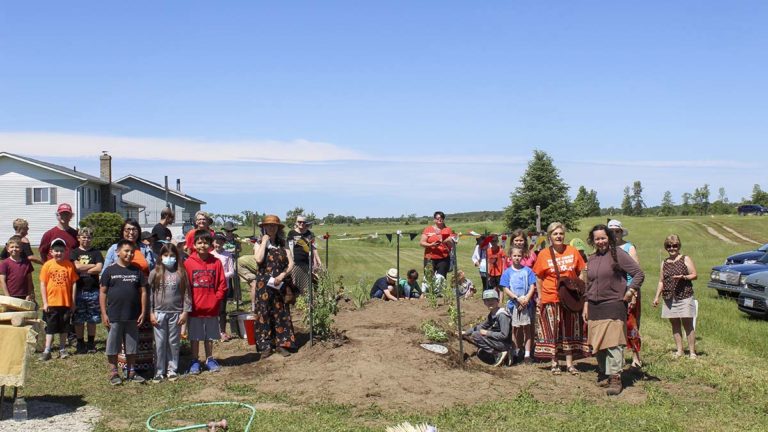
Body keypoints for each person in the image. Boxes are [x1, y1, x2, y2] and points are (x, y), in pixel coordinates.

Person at [584, 224, 644, 395]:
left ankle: (616, 378)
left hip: (614, 304)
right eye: (597, 239)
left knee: (613, 343)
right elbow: (589, 283)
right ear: (593, 241)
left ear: (609, 238)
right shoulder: (592, 258)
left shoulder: (618, 254)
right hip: (595, 306)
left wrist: (630, 291)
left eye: (603, 238)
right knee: (599, 345)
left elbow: (639, 273)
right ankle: (606, 372)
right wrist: (586, 304)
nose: (600, 241)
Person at [532, 222, 590, 375]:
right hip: (551, 296)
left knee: (569, 330)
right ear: (550, 236)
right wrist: (540, 297)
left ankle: (570, 364)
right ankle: (554, 363)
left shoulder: (572, 251)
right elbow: (539, 277)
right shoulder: (544, 254)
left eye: (561, 234)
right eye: (555, 234)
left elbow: (581, 271)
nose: (558, 236)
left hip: (570, 298)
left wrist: (579, 288)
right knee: (554, 330)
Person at [102, 218, 156, 373]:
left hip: (141, 295)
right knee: (118, 334)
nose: (131, 232)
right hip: (119, 302)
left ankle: (140, 366)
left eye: (134, 229)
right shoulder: (114, 248)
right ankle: (121, 367)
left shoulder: (145, 249)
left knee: (138, 333)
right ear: (122, 231)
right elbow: (105, 276)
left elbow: (153, 270)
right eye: (127, 229)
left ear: (138, 231)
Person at [99, 239, 148, 384]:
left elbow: (143, 292)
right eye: (126, 251)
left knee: (131, 345)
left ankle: (131, 371)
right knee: (113, 345)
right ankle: (114, 372)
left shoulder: (137, 271)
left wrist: (143, 311)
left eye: (132, 251)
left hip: (132, 315)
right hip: (115, 315)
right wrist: (104, 313)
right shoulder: (109, 271)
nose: (130, 254)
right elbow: (102, 293)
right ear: (118, 252)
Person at [252, 215, 297, 358]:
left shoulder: (283, 243)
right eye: (268, 225)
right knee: (264, 313)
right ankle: (265, 345)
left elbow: (291, 263)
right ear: (264, 227)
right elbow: (258, 259)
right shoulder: (259, 243)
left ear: (278, 228)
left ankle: (282, 344)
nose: (271, 228)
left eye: (274, 225)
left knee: (281, 313)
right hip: (263, 284)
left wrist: (282, 275)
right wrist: (264, 242)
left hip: (280, 282)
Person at [184, 230, 227, 373]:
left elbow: (222, 283)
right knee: (195, 336)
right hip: (195, 308)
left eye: (206, 242)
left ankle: (210, 358)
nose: (203, 245)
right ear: (194, 244)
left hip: (211, 307)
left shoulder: (216, 262)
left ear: (211, 244)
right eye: (200, 242)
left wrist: (216, 299)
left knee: (209, 335)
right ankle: (195, 360)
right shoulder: (188, 263)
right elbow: (186, 285)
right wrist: (189, 303)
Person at [148, 243, 191, 383]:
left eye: (172, 256)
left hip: (176, 313)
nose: (169, 258)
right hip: (159, 313)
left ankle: (172, 369)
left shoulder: (181, 273)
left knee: (174, 342)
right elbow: (150, 295)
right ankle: (159, 371)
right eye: (166, 255)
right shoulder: (155, 273)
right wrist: (151, 312)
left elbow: (187, 294)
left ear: (177, 257)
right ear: (160, 257)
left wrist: (185, 312)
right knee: (160, 343)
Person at [653, 234, 698, 359]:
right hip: (668, 297)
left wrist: (683, 277)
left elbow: (694, 275)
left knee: (688, 324)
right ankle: (679, 350)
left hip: (684, 295)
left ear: (679, 246)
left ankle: (692, 352)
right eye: (669, 246)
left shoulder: (685, 259)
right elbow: (661, 281)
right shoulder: (664, 262)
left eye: (675, 246)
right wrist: (657, 297)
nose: (672, 248)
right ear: (666, 247)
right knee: (675, 324)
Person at [607, 219, 643, 369]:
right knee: (615, 325)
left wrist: (633, 292)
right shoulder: (606, 249)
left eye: (617, 231)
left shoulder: (629, 248)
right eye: (612, 231)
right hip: (613, 291)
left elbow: (636, 272)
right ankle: (617, 357)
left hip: (629, 290)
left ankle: (636, 356)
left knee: (632, 324)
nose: (615, 234)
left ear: (621, 232)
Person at [39, 238, 79, 361]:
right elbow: (43, 284)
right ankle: (47, 350)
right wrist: (45, 302)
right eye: (56, 251)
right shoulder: (47, 265)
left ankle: (62, 349)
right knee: (50, 327)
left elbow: (73, 283)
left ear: (65, 252)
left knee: (64, 327)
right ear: (51, 252)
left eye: (61, 251)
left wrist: (72, 302)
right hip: (51, 303)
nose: (58, 253)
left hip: (66, 303)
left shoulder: (69, 265)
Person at [500, 247, 536, 364]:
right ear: (510, 257)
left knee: (527, 329)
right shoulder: (507, 272)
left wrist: (526, 299)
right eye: (514, 256)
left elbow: (532, 286)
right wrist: (516, 299)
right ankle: (515, 351)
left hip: (526, 304)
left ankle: (527, 354)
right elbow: (505, 288)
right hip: (514, 304)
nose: (517, 258)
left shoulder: (527, 271)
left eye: (519, 256)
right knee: (515, 329)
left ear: (523, 257)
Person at [71, 227, 104, 354]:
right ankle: (80, 342)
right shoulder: (74, 252)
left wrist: (83, 268)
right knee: (78, 319)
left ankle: (91, 342)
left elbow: (99, 268)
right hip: (78, 290)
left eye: (89, 237)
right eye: (83, 237)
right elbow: (76, 267)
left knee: (92, 318)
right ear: (78, 238)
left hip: (93, 290)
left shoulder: (96, 253)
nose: (86, 239)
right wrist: (92, 265)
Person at [460, 290, 512, 367]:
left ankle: (497, 354)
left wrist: (487, 333)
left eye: (492, 299)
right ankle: (500, 354)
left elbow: (504, 335)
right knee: (480, 350)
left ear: (498, 301)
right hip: (498, 341)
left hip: (505, 343)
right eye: (487, 300)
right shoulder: (492, 315)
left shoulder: (502, 315)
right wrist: (465, 332)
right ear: (484, 303)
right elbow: (481, 327)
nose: (490, 302)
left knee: (476, 335)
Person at [288, 215, 322, 296]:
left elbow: (314, 248)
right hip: (295, 263)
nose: (302, 223)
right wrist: (290, 261)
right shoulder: (292, 233)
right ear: (296, 222)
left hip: (307, 263)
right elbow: (289, 248)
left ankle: (306, 300)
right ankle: (296, 301)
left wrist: (318, 261)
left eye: (303, 222)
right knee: (295, 283)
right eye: (299, 222)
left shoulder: (309, 234)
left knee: (307, 284)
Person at [211, 233, 235, 341]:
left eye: (221, 242)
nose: (218, 244)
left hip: (223, 285)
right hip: (211, 286)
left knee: (222, 309)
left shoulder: (227, 255)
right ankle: (212, 330)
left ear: (224, 243)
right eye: (216, 242)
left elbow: (231, 272)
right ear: (213, 243)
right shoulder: (210, 254)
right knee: (212, 309)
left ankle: (222, 331)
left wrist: (220, 276)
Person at [420, 211, 455, 278]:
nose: (440, 219)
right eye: (438, 218)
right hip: (429, 258)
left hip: (443, 259)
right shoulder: (428, 229)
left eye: (442, 218)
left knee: (441, 279)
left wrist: (447, 240)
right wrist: (431, 245)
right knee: (429, 279)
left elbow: (452, 245)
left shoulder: (448, 230)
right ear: (434, 219)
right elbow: (422, 243)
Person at [0, 236, 35, 301]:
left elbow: (29, 280)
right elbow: (2, 281)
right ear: (8, 249)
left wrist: (28, 294)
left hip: (24, 296)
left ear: (21, 249)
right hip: (11, 295)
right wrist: (7, 296)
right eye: (12, 247)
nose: (14, 249)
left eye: (17, 247)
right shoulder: (4, 263)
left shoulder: (27, 263)